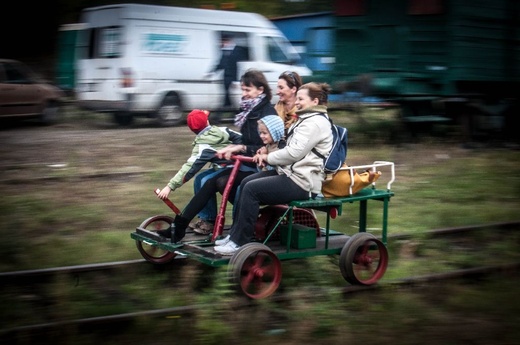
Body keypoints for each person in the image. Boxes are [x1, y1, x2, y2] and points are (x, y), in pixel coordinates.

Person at [214, 82, 334, 255]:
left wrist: (268, 157)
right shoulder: (306, 120)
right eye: (297, 98)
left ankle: (240, 242)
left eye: (301, 99)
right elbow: (287, 145)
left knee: (252, 189)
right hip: (290, 173)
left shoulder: (314, 123)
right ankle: (234, 235)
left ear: (315, 101)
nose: (297, 102)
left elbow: (293, 153)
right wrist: (267, 149)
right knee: (246, 182)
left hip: (302, 182)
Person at [157, 69, 275, 243]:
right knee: (211, 181)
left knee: (220, 182)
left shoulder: (266, 113)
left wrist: (238, 148)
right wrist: (235, 147)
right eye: (242, 89)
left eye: (247, 90)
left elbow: (266, 145)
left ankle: (237, 231)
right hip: (247, 163)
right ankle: (180, 225)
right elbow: (245, 140)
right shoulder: (249, 112)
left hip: (263, 166)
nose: (243, 94)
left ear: (260, 90)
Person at [156, 109, 242, 235]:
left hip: (233, 169)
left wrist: (170, 186)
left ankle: (208, 221)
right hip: (233, 166)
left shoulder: (203, 145)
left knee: (204, 180)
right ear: (207, 121)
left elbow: (189, 168)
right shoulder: (222, 130)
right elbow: (242, 138)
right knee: (199, 178)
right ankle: (207, 218)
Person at [208, 33, 249, 108]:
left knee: (232, 94)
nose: (222, 44)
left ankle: (228, 107)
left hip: (234, 76)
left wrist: (238, 78)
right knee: (227, 93)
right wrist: (212, 71)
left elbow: (241, 65)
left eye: (223, 42)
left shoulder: (238, 50)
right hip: (226, 76)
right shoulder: (224, 51)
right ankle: (228, 107)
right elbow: (221, 64)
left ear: (228, 41)